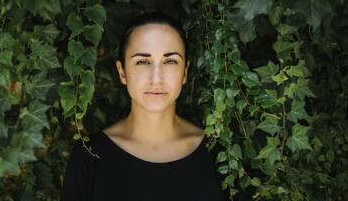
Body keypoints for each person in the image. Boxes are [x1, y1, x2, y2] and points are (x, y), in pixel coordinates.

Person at [61, 12, 226, 200]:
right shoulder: (90, 156)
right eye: (142, 62)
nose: (156, 78)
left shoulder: (216, 153)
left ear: (184, 73)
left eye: (170, 61)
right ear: (122, 72)